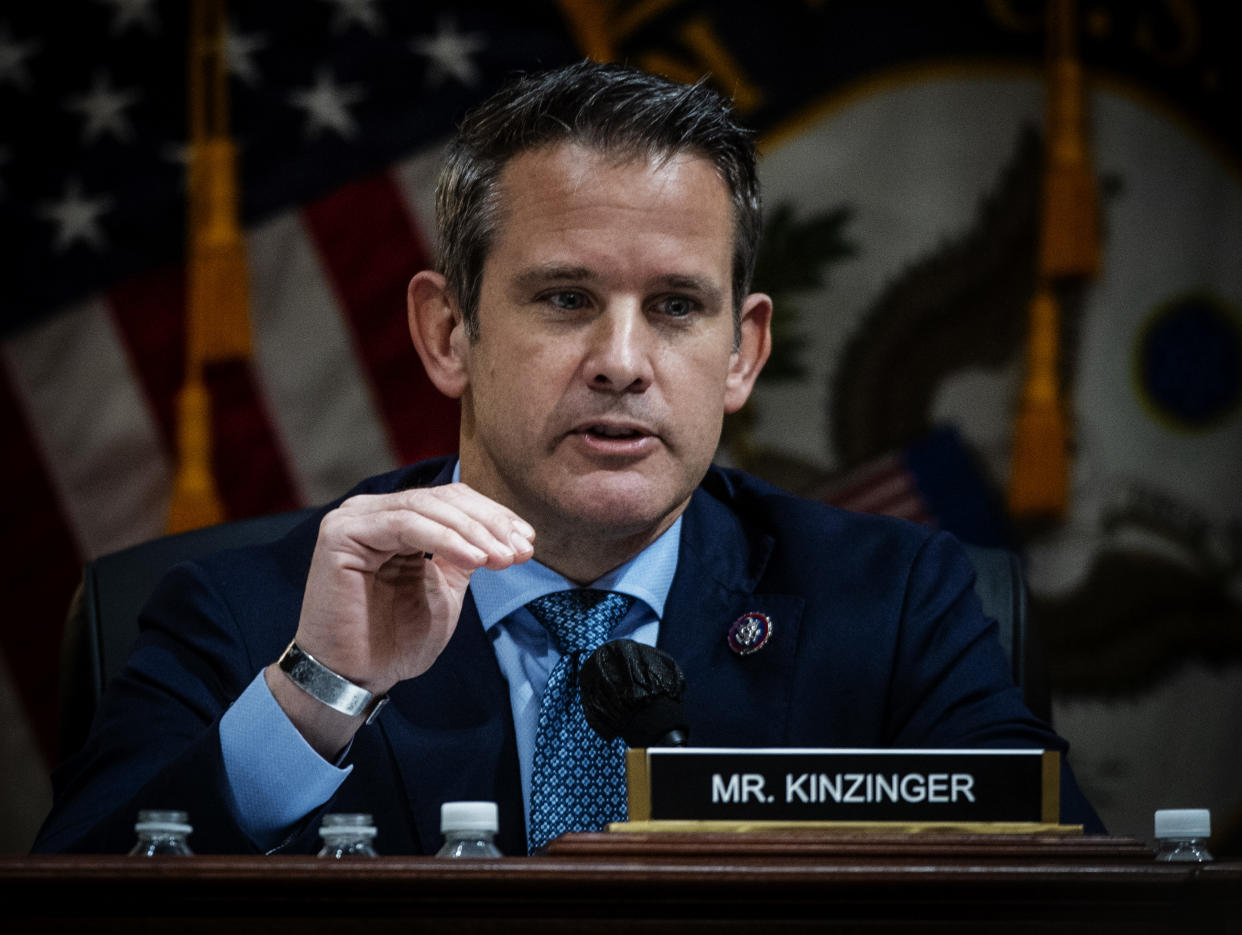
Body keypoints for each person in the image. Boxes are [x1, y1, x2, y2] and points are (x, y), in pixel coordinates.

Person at [34, 60, 1102, 855]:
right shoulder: (239, 610)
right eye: (565, 299)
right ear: (449, 332)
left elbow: (1071, 903)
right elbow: (67, 918)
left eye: (678, 307)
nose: (623, 362)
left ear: (743, 353)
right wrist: (321, 693)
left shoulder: (899, 603)